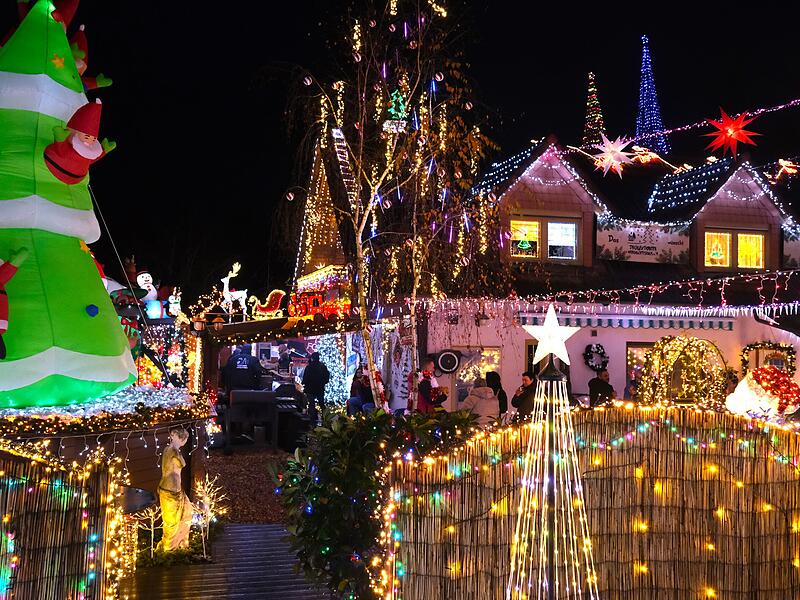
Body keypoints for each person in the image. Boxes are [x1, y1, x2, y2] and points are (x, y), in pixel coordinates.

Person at [157, 427, 193, 551]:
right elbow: (182, 463)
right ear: (176, 437)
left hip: (175, 489)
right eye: (183, 439)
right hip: (170, 490)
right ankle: (169, 549)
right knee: (171, 522)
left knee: (186, 513)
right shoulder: (173, 452)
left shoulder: (168, 449)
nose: (184, 442)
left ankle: (181, 543)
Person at [302, 352, 330, 424]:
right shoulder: (322, 366)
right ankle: (326, 418)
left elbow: (305, 378)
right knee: (321, 404)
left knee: (311, 404)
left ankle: (312, 420)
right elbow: (326, 377)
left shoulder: (309, 367)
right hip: (320, 388)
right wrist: (323, 383)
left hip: (310, 389)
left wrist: (304, 383)